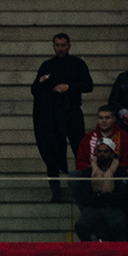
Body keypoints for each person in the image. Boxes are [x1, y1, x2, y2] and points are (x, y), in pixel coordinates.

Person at [29, 34, 95, 202]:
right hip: (51, 116)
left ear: (69, 45)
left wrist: (69, 87)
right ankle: (56, 192)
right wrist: (42, 81)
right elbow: (34, 89)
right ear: (53, 46)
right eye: (57, 45)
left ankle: (84, 189)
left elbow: (88, 85)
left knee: (79, 150)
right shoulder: (47, 65)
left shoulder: (78, 64)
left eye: (63, 45)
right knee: (52, 152)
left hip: (72, 113)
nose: (60, 48)